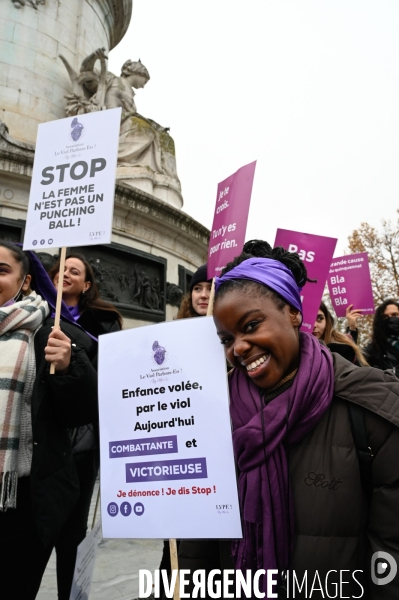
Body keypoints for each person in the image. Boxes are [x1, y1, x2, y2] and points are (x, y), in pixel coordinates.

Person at [210, 240, 399, 598]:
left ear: (293, 313)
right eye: (227, 338)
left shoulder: (372, 405)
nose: (238, 348)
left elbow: (391, 553)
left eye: (251, 325)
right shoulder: (214, 414)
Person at [0, 241, 98, 600]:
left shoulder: (50, 335)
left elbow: (81, 412)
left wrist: (70, 367)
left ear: (25, 282)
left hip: (21, 501)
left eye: (2, 270)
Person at [48, 253, 122, 600]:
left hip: (83, 437)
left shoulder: (104, 322)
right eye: (60, 269)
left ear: (87, 284)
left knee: (72, 529)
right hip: (44, 432)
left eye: (74, 271)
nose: (65, 274)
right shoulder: (37, 312)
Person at [313, 301, 368, 365]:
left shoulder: (341, 350)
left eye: (320, 318)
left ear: (327, 320)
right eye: (308, 319)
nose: (314, 325)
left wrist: (352, 328)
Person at [363, 299, 399, 377]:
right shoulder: (374, 349)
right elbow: (354, 361)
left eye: (395, 315)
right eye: (385, 317)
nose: (390, 319)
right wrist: (352, 329)